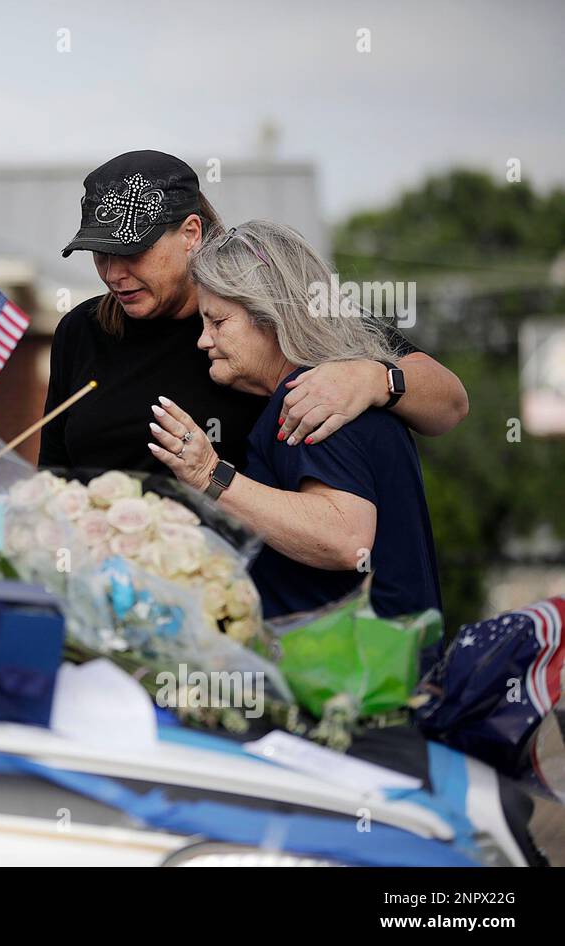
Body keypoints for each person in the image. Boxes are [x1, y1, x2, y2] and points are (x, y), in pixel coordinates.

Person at [39, 151, 469, 479]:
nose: (113, 273)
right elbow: (53, 476)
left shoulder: (276, 303)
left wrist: (374, 378)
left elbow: (450, 403)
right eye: (100, 253)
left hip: (244, 586)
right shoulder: (80, 330)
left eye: (131, 252)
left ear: (191, 233)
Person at [146, 220, 443, 620]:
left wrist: (210, 475)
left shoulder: (313, 396)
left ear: (271, 317)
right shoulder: (332, 387)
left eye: (218, 322)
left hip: (356, 676)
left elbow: (345, 539)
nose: (203, 340)